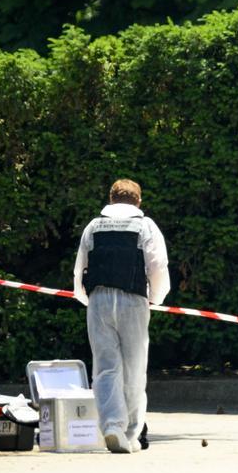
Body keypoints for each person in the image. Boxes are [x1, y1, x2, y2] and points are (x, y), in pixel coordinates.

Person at [73, 179, 170, 454]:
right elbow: (157, 265)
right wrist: (156, 297)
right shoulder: (145, 225)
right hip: (133, 299)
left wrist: (85, 297)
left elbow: (81, 266)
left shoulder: (94, 225)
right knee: (134, 367)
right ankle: (131, 433)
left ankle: (112, 426)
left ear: (111, 199)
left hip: (99, 300)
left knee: (105, 367)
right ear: (139, 201)